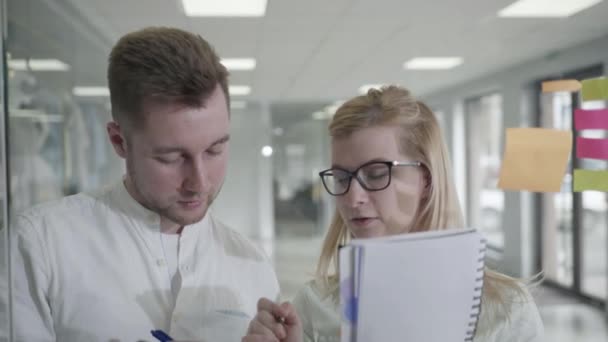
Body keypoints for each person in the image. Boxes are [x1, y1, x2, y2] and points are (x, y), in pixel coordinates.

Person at [1, 27, 279, 342]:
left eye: (215, 150)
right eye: (171, 158)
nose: (199, 182)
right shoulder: (40, 245)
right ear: (119, 141)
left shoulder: (252, 266)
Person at [243, 86, 544, 342]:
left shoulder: (506, 310)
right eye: (342, 178)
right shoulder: (313, 306)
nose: (352, 197)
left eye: (375, 174)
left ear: (426, 179)